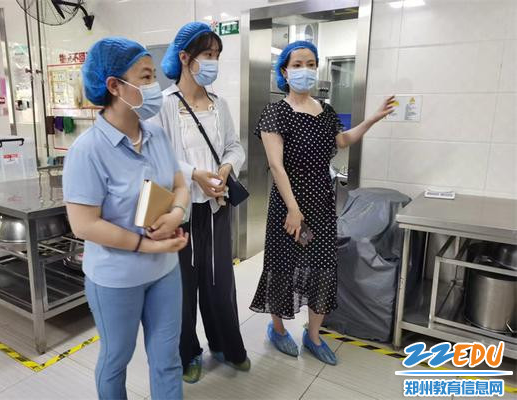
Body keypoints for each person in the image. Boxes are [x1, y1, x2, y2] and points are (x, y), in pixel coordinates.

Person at [250, 41, 394, 365]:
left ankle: (313, 336)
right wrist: (293, 209)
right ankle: (278, 329)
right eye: (297, 64)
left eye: (311, 64)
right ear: (285, 71)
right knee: (282, 267)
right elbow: (276, 165)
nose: (306, 70)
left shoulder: (325, 111)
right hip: (288, 206)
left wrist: (372, 119)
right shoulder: (275, 112)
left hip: (322, 205)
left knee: (323, 268)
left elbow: (342, 140)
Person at [63, 37, 190, 400]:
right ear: (114, 86)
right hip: (116, 279)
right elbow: (84, 225)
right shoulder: (87, 151)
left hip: (164, 271)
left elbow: (179, 185)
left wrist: (176, 214)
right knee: (116, 359)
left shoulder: (157, 135)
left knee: (167, 359)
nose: (155, 86)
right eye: (145, 77)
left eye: (153, 76)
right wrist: (146, 245)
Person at [152, 22, 249, 384]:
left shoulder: (219, 104)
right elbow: (157, 157)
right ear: (185, 58)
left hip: (216, 208)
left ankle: (225, 345)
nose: (213, 62)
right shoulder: (164, 105)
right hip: (181, 210)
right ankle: (187, 353)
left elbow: (234, 146)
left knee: (220, 281)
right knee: (182, 288)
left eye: (217, 55)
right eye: (207, 54)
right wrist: (194, 174)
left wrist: (225, 168)